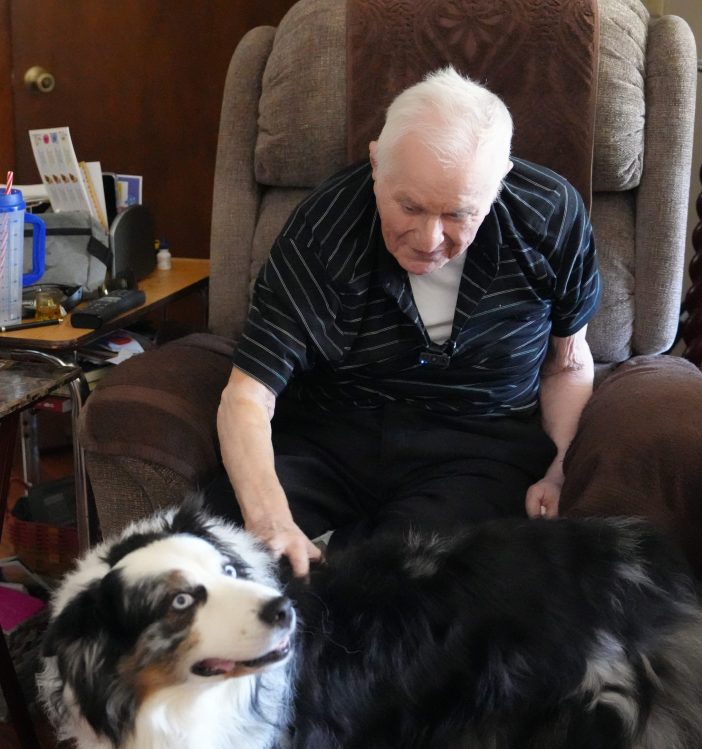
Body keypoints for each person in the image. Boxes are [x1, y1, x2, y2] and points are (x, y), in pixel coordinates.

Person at [211, 66, 603, 576]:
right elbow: (248, 395)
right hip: (334, 432)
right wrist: (271, 524)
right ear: (377, 163)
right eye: (409, 207)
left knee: (406, 580)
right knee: (217, 546)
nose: (428, 239)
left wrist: (559, 468)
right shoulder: (323, 227)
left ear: (499, 182)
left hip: (478, 443)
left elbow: (567, 364)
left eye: (459, 214)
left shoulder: (550, 214)